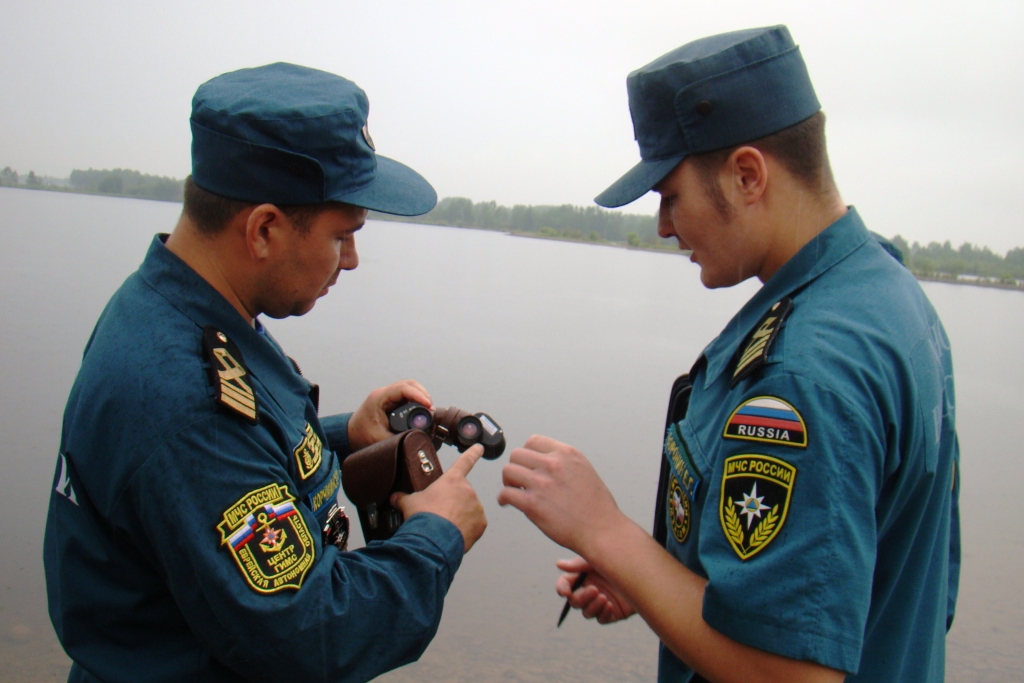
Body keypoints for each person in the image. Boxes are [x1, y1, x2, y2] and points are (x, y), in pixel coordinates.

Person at [498, 25, 960, 683]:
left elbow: (792, 673)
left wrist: (606, 531)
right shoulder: (892, 301)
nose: (663, 226)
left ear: (747, 175)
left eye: (670, 196)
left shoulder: (804, 372)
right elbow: (892, 571)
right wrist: (655, 574)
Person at [43, 62, 487, 683]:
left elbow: (223, 462)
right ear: (264, 230)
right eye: (342, 235)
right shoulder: (184, 396)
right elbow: (312, 637)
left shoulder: (180, 308)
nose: (352, 260)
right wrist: (437, 533)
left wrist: (343, 435)